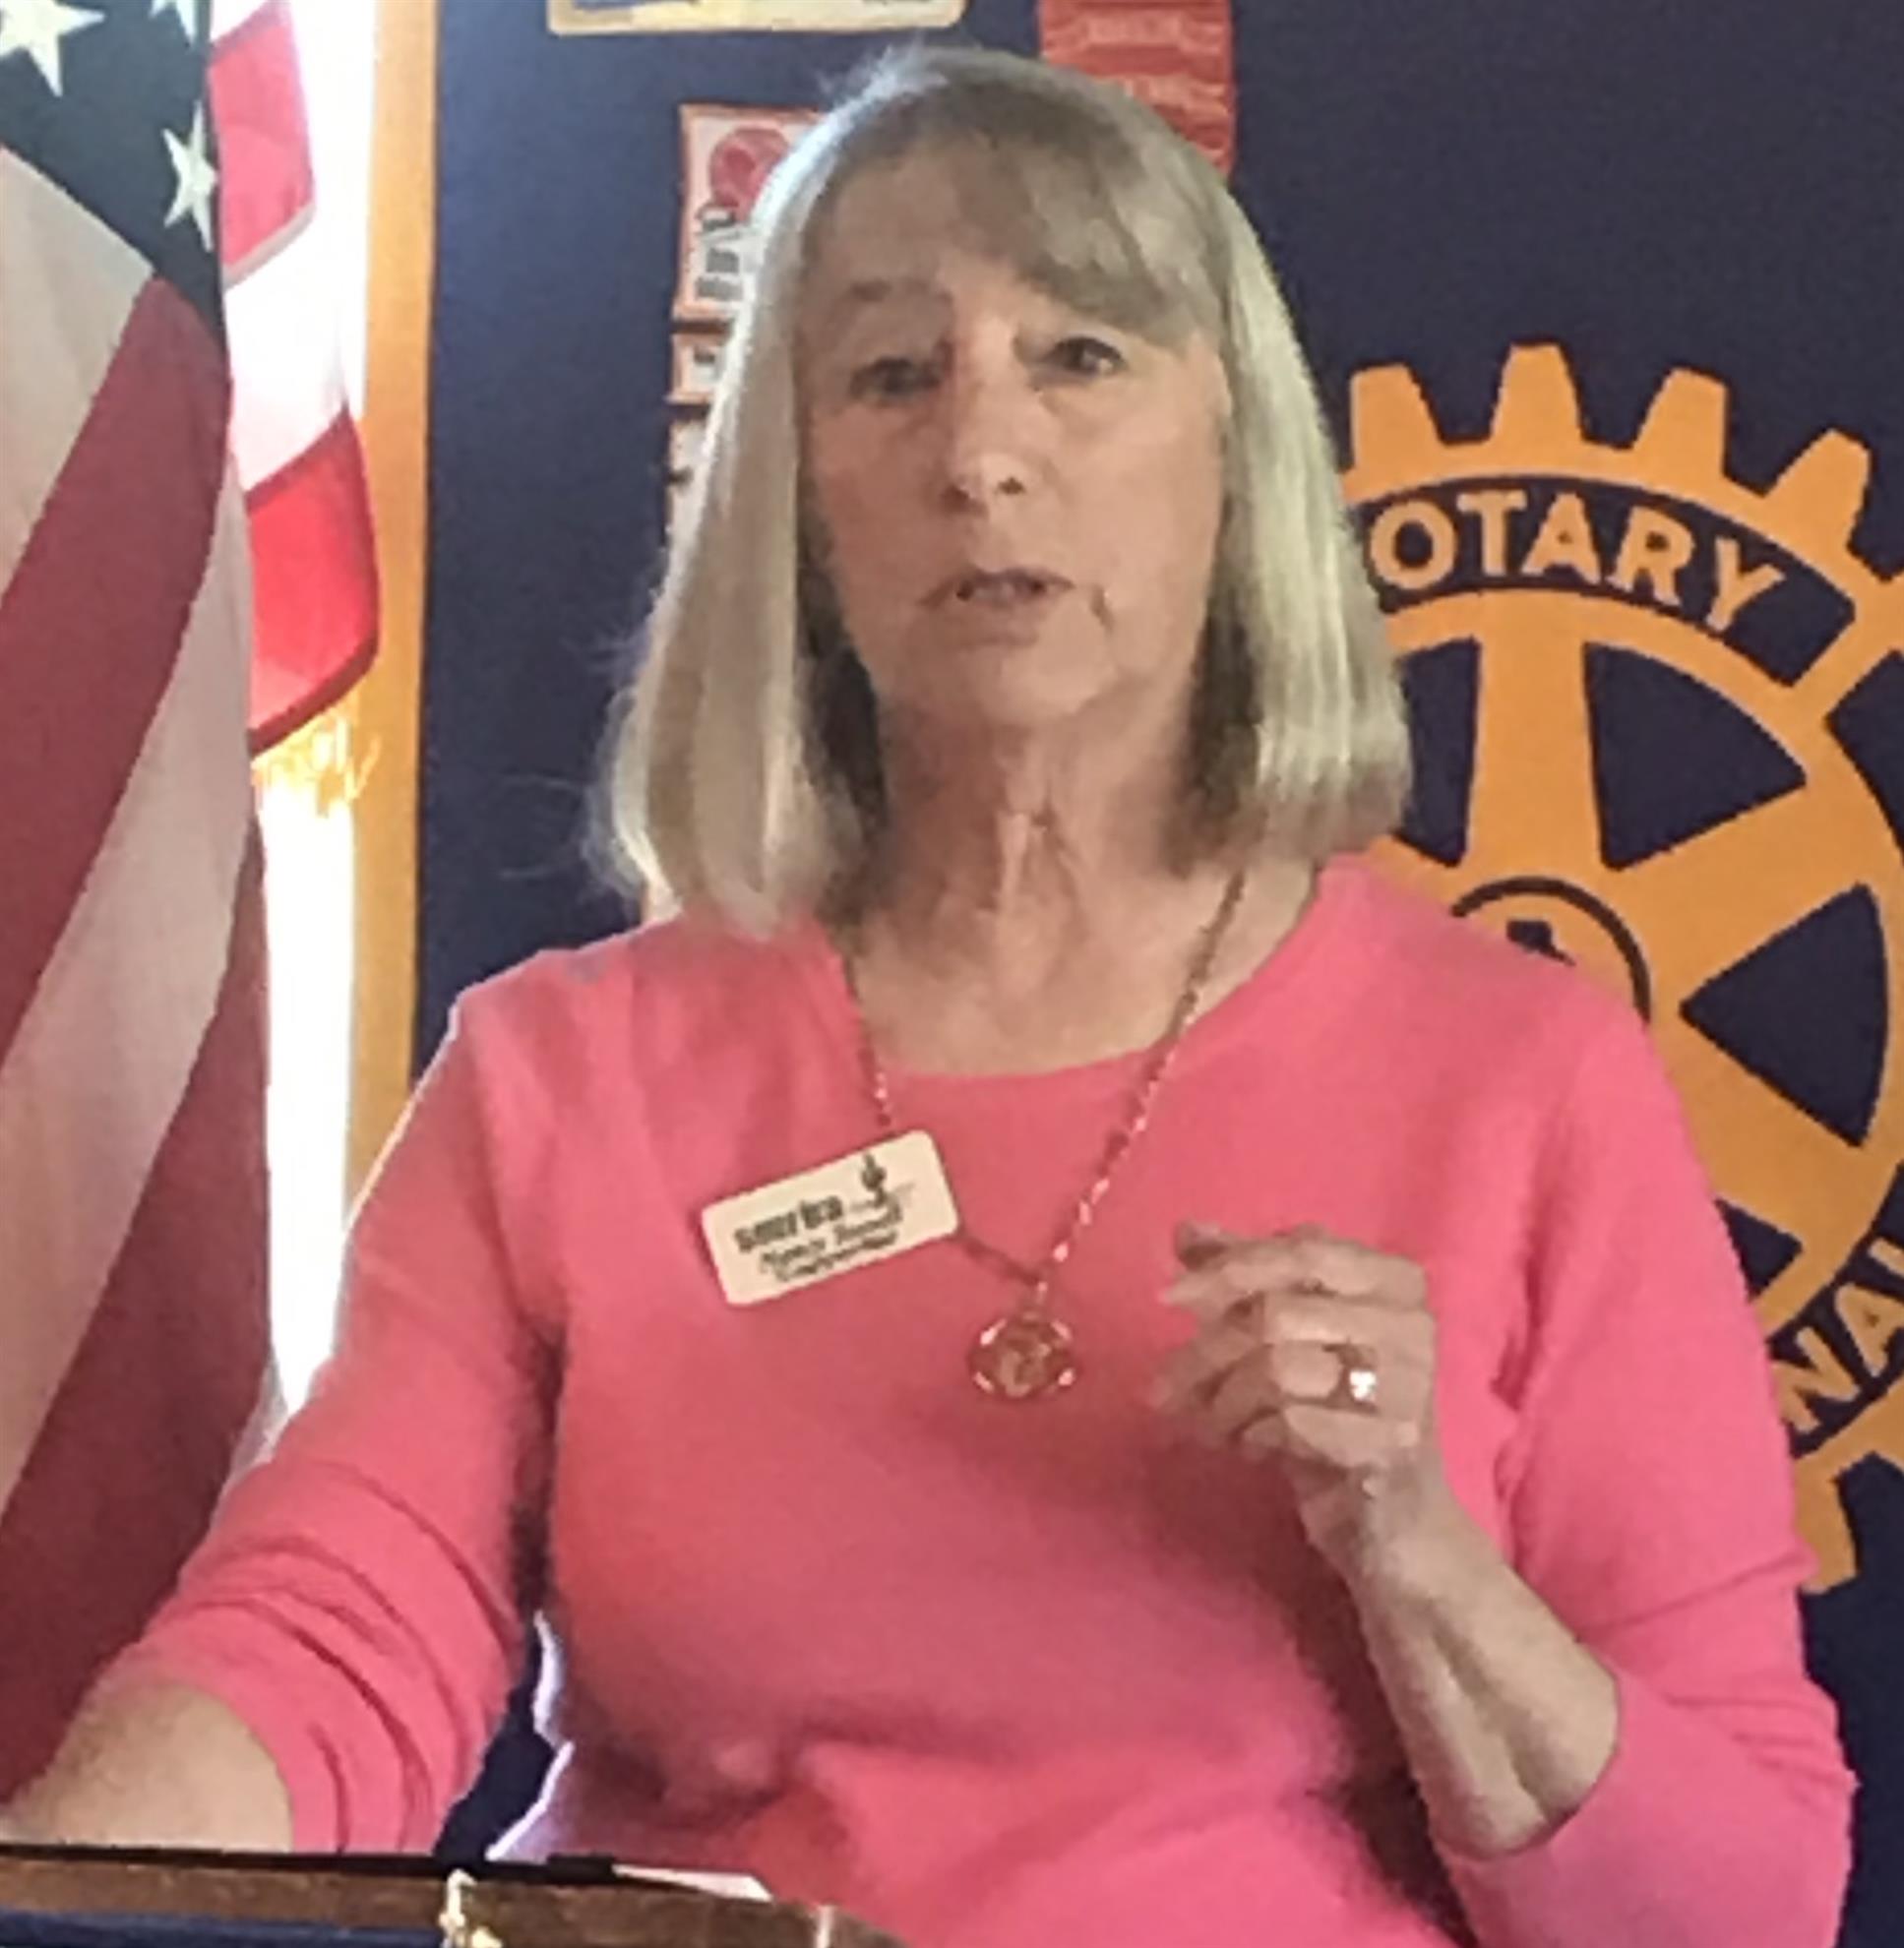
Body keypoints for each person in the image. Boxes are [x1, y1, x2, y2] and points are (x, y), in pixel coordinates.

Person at [2, 45, 1851, 1948]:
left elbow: (1743, 1913)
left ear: (1238, 459)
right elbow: (325, 1645)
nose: (980, 455)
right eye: (892, 375)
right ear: (794, 505)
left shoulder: (1523, 1082)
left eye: (1080, 356)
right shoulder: (565, 1076)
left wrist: (1419, 1557)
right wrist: (63, 1908)